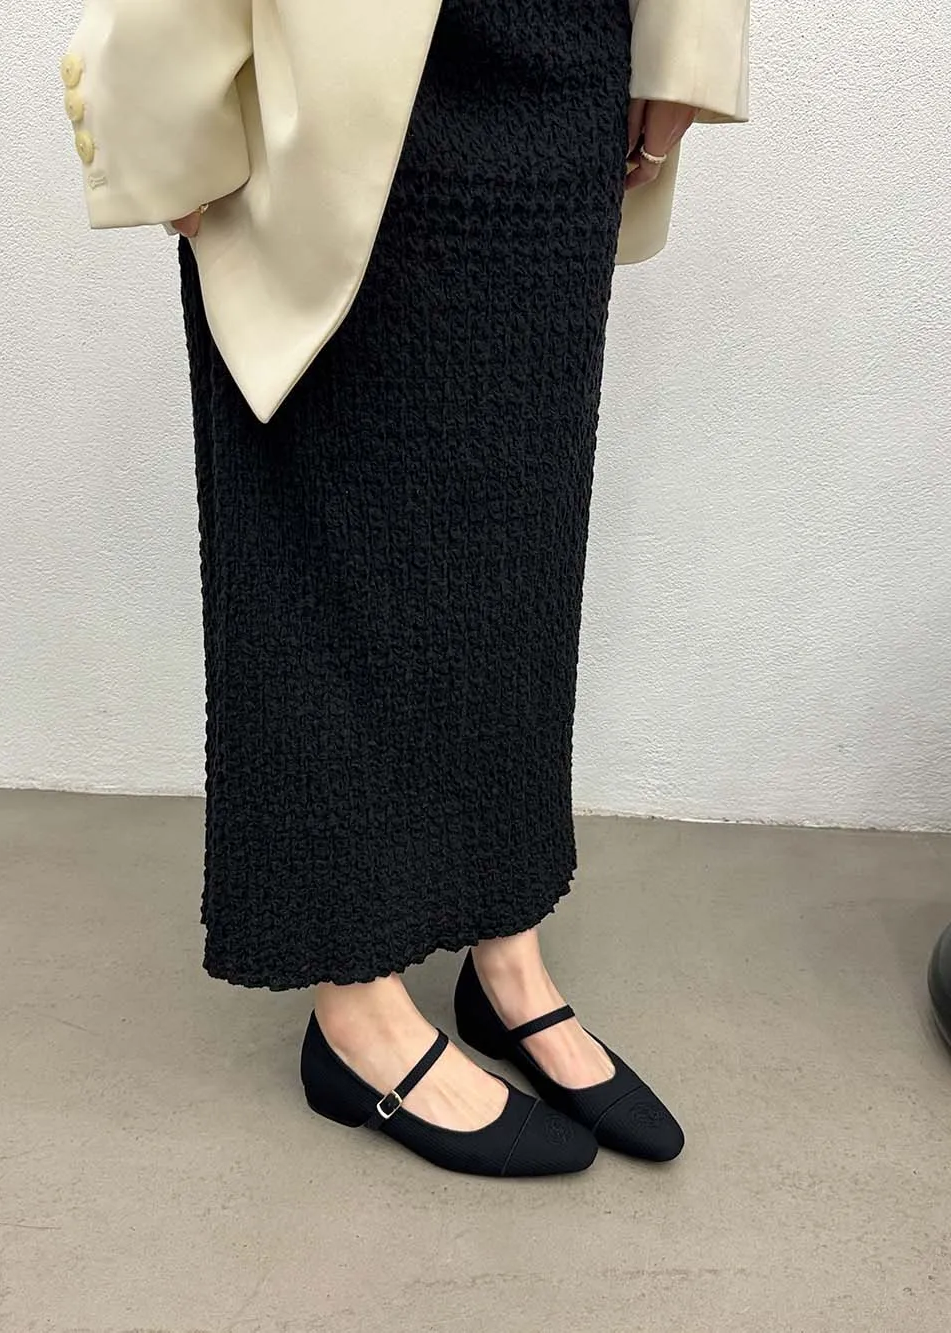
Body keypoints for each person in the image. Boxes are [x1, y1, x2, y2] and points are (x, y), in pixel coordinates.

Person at [58, 0, 749, 1178]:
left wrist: (686, 42)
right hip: (328, 50)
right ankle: (355, 1002)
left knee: (520, 533)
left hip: (566, 54)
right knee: (325, 523)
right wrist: (155, 94)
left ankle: (505, 948)